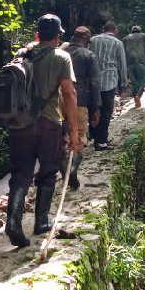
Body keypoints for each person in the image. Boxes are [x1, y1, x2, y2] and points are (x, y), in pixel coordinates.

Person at [5, 14, 83, 248]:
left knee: (20, 173)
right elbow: (69, 94)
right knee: (48, 172)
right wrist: (75, 131)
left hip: (20, 123)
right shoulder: (62, 57)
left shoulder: (22, 54)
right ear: (58, 36)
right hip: (49, 123)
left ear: (38, 33)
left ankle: (13, 221)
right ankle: (41, 222)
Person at [60, 26, 101, 190]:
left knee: (63, 139)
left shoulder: (61, 53)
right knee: (78, 139)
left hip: (58, 102)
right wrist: (96, 108)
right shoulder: (88, 55)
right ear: (86, 40)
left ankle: (65, 173)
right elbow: (95, 83)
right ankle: (72, 173)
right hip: (79, 102)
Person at [88, 20, 127, 150]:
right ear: (115, 31)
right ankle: (101, 141)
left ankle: (93, 135)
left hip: (92, 82)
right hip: (109, 82)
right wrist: (123, 84)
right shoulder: (117, 43)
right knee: (106, 112)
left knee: (93, 109)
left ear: (103, 29)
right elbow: (122, 65)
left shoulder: (92, 40)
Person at [122, 25, 145, 108]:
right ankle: (138, 96)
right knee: (143, 81)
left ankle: (136, 99)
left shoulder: (125, 38)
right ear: (140, 31)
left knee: (134, 82)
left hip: (129, 63)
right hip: (141, 62)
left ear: (131, 31)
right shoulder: (144, 36)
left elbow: (122, 53)